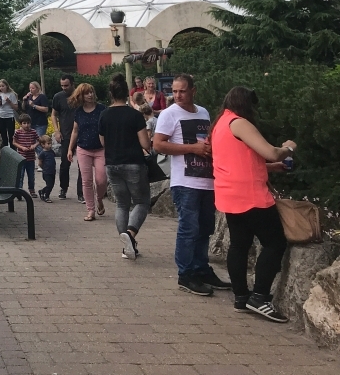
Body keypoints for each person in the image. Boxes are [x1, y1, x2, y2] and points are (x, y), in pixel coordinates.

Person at [211, 87, 295, 322]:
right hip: (250, 196)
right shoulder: (239, 123)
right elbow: (271, 152)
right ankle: (260, 297)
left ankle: (241, 297)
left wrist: (269, 168)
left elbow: (239, 161)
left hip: (229, 195)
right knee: (275, 242)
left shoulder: (220, 124)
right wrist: (289, 147)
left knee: (239, 244)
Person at [153, 74, 231, 296]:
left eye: (182, 91)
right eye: (174, 91)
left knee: (205, 227)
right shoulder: (169, 114)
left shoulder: (203, 112)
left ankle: (201, 269)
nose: (177, 95)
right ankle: (185, 273)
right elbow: (158, 145)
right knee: (189, 228)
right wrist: (192, 149)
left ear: (193, 91)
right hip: (185, 181)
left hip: (207, 179)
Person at [100, 73, 152, 260]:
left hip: (112, 163)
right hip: (133, 163)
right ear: (127, 94)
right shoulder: (135, 115)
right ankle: (130, 235)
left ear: (111, 94)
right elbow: (145, 144)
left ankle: (126, 246)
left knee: (122, 204)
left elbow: (102, 141)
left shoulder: (104, 115)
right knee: (141, 202)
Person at [66, 83, 107, 221]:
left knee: (101, 180)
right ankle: (90, 210)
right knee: (86, 181)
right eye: (86, 93)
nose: (90, 95)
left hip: (100, 149)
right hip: (83, 149)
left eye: (91, 92)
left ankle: (99, 199)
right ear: (81, 96)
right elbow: (75, 131)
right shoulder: (78, 112)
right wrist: (70, 149)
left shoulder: (102, 109)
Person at [51, 74, 83, 202]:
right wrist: (56, 130)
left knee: (82, 165)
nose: (64, 88)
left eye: (66, 85)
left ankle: (81, 192)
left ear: (73, 84)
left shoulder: (80, 96)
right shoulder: (58, 97)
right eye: (62, 85)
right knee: (64, 164)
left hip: (81, 135)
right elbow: (53, 114)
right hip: (65, 134)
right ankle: (63, 188)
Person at [12, 114, 40, 197]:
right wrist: (21, 147)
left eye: (28, 123)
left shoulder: (33, 132)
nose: (26, 125)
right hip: (21, 158)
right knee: (20, 176)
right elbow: (14, 142)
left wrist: (34, 146)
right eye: (24, 123)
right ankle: (19, 191)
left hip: (31, 158)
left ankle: (32, 190)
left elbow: (39, 141)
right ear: (20, 124)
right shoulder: (18, 132)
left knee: (31, 176)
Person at [0, 79, 18, 148]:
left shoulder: (11, 94)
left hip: (9, 116)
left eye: (3, 86)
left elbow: (16, 107)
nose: (1, 88)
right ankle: (5, 148)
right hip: (0, 115)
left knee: (11, 134)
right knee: (3, 134)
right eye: (0, 86)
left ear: (6, 86)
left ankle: (13, 149)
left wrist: (9, 101)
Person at [37, 136, 57, 202]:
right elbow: (40, 162)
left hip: (52, 171)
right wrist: (44, 168)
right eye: (48, 144)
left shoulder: (51, 151)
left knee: (51, 185)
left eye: (50, 143)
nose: (50, 145)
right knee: (49, 185)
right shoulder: (42, 153)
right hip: (46, 172)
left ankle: (42, 191)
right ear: (42, 145)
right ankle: (46, 196)